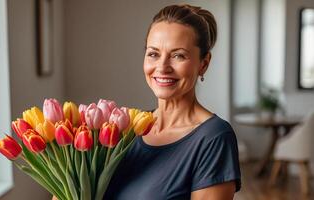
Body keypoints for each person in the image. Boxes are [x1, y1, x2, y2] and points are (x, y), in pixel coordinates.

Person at [103, 3, 241, 200]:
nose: (162, 67)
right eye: (153, 54)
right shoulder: (127, 129)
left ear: (204, 64)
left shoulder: (214, 139)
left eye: (178, 55)